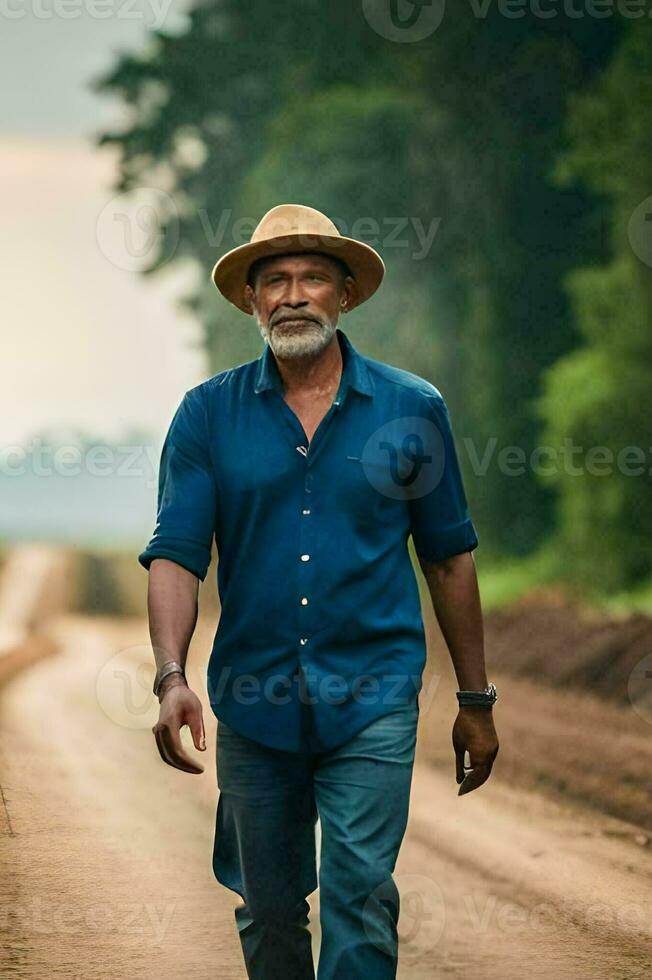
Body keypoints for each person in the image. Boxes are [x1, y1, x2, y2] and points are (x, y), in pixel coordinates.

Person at [138, 204, 499, 979]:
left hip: (373, 696)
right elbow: (175, 555)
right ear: (251, 301)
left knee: (361, 894)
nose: (293, 294)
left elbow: (448, 559)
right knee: (267, 910)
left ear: (344, 296)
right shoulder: (207, 416)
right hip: (252, 699)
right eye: (275, 280)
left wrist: (476, 702)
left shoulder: (412, 411)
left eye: (311, 278)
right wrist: (171, 677)